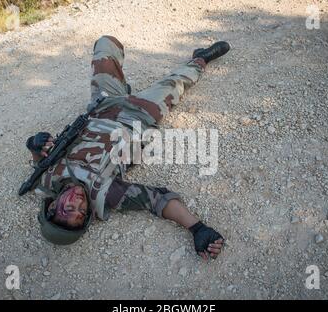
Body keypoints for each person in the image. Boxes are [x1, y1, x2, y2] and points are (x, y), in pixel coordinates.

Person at [24, 35, 230, 260]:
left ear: (53, 206)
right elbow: (155, 199)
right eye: (82, 211)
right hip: (137, 115)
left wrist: (36, 143)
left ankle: (122, 88)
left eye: (70, 208)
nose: (80, 202)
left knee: (104, 44)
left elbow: (38, 152)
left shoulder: (46, 177)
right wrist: (197, 228)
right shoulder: (105, 192)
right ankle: (199, 58)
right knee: (179, 81)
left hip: (102, 106)